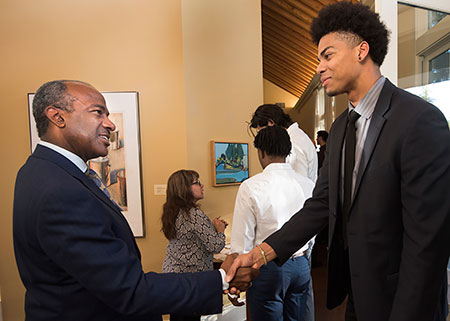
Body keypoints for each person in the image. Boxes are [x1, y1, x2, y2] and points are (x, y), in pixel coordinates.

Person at [226, 2, 450, 321]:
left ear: (361, 51)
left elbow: (428, 244)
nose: (319, 67)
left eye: (327, 55)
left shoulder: (419, 120)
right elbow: (321, 205)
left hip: (403, 301)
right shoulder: (342, 126)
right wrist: (261, 254)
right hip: (356, 297)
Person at [13, 80, 255, 321]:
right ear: (57, 117)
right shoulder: (61, 188)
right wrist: (221, 278)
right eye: (98, 112)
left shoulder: (40, 171)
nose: (110, 124)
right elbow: (128, 289)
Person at [230, 126, 315, 321]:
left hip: (267, 267)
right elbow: (311, 229)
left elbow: (242, 241)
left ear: (261, 152)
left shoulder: (251, 186)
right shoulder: (307, 184)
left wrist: (237, 282)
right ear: (288, 150)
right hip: (301, 265)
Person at [249, 103, 318, 321]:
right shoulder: (301, 137)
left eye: (260, 130)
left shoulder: (292, 145)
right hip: (300, 244)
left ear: (270, 124)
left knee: (294, 307)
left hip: (288, 246)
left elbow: (290, 200)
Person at [162, 169, 228, 321]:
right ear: (184, 188)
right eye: (197, 183)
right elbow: (215, 246)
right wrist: (220, 230)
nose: (202, 185)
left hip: (174, 277)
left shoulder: (173, 211)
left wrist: (209, 227)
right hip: (190, 281)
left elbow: (190, 237)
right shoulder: (194, 214)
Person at [250, 104, 318, 182]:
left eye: (262, 132)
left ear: (271, 123)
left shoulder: (294, 142)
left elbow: (298, 183)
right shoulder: (297, 136)